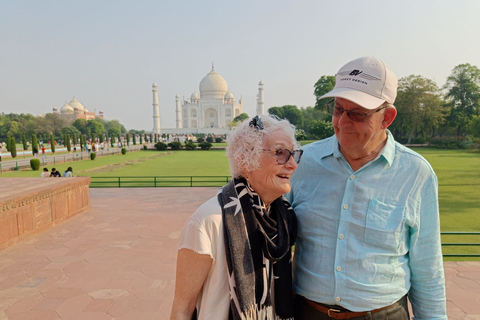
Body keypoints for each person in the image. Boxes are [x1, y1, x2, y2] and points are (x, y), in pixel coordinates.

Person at [288, 56, 447, 320]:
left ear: (387, 117)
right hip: (308, 311)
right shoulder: (303, 163)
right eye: (338, 109)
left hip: (383, 314)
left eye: (358, 114)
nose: (343, 123)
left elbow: (427, 267)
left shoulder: (415, 173)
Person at [170, 115, 302, 320]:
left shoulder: (283, 218)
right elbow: (182, 309)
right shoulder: (209, 221)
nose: (292, 164)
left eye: (293, 154)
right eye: (280, 153)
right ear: (245, 160)